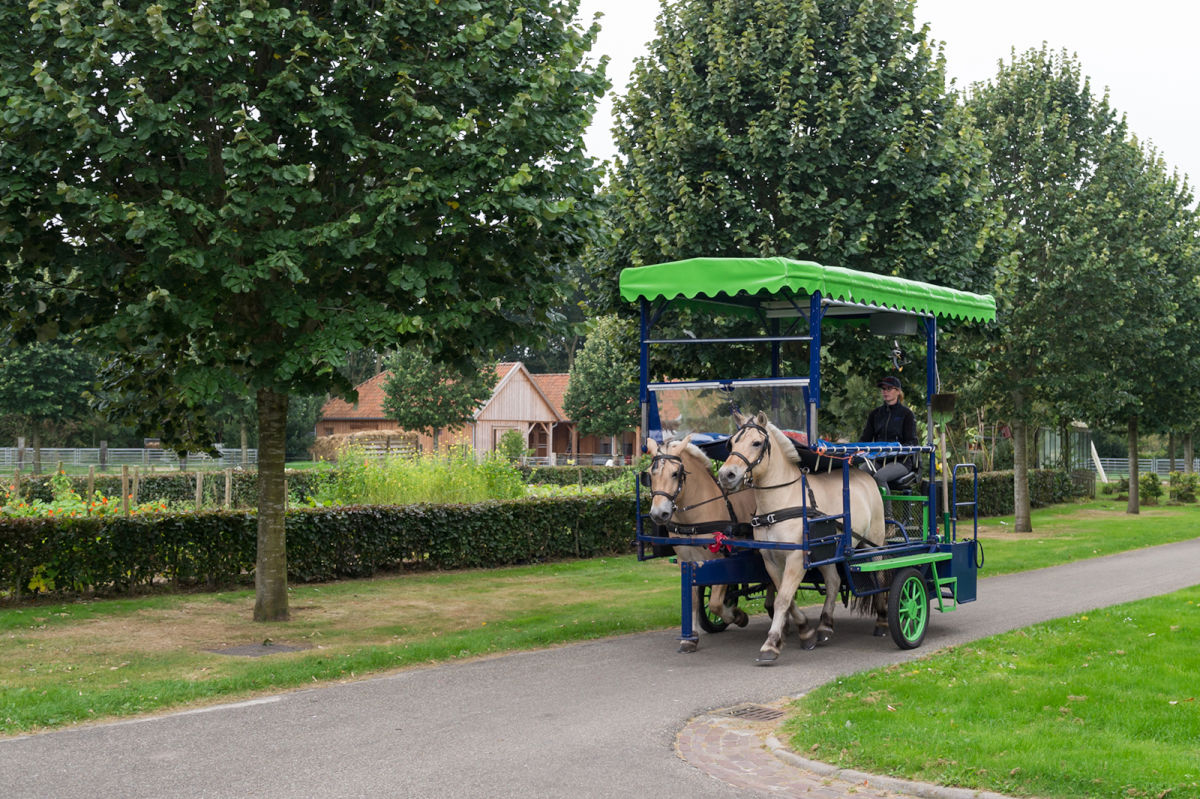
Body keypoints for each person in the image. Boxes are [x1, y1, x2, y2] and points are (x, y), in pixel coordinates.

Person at [859, 376, 918, 488]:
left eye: (889, 389)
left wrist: (894, 451)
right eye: (883, 389)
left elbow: (912, 442)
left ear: (898, 391)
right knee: (857, 475)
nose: (885, 392)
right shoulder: (875, 414)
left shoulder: (906, 414)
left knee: (880, 477)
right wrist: (855, 451)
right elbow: (865, 439)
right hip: (878, 460)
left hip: (900, 462)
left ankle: (885, 506)